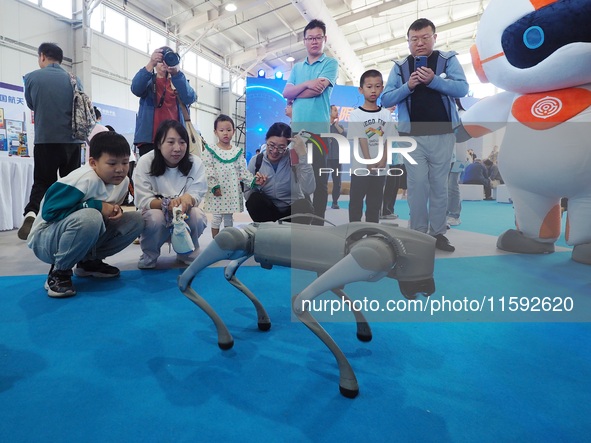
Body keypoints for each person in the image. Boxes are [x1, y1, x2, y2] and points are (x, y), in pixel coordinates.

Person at [382, 18, 469, 252]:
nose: (419, 43)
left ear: (434, 38)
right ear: (408, 41)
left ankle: (438, 233)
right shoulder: (400, 67)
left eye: (424, 38)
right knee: (417, 184)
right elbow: (386, 99)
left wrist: (434, 80)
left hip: (443, 134)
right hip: (411, 137)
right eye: (414, 39)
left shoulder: (447, 60)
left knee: (439, 186)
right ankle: (418, 233)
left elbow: (463, 88)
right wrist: (408, 86)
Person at [26, 131, 143, 298]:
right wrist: (97, 206)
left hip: (82, 231)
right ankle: (59, 272)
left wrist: (116, 210)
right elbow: (50, 213)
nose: (120, 169)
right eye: (112, 163)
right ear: (93, 163)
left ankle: (88, 263)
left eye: (125, 162)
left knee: (137, 220)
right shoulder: (81, 180)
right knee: (91, 217)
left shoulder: (123, 182)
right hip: (46, 239)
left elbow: (108, 208)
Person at [18, 43, 86, 240]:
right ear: (61, 58)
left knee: (42, 181)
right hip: (72, 141)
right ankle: (67, 220)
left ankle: (31, 213)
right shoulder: (74, 79)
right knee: (69, 183)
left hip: (45, 140)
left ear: (42, 56)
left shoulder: (31, 77)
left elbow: (32, 104)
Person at [283, 19, 339, 225]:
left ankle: (318, 223)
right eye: (310, 38)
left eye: (318, 38)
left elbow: (318, 89)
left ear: (324, 39)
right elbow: (286, 92)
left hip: (319, 132)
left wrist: (297, 92)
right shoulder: (298, 68)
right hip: (298, 131)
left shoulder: (330, 63)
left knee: (320, 181)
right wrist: (307, 84)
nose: (314, 42)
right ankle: (303, 220)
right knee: (299, 178)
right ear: (304, 41)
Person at [133, 120, 207, 269]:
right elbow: (143, 199)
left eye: (182, 142)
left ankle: (187, 253)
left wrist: (187, 199)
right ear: (159, 144)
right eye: (171, 142)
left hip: (183, 213)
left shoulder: (195, 163)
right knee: (154, 217)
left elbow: (197, 192)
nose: (177, 148)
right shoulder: (146, 162)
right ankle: (149, 255)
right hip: (158, 213)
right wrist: (166, 204)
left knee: (197, 215)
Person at [347, 70, 395, 223]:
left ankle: (372, 234)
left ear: (382, 88)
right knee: (356, 203)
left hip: (380, 169)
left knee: (374, 205)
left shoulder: (386, 114)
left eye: (377, 86)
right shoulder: (356, 114)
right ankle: (354, 235)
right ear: (361, 90)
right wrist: (368, 161)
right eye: (369, 86)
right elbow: (361, 138)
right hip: (360, 167)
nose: (373, 90)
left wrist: (383, 159)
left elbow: (389, 138)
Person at [131, 46, 197, 157]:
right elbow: (135, 88)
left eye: (167, 59)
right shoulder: (147, 81)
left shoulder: (179, 81)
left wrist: (176, 74)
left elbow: (190, 98)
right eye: (161, 60)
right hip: (149, 141)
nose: (163, 63)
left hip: (175, 141)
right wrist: (150, 64)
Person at [245, 122, 315, 223]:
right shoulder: (256, 161)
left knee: (305, 205)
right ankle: (268, 234)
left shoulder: (294, 159)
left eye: (281, 147)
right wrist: (255, 185)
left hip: (291, 211)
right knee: (254, 200)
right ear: (266, 141)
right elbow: (247, 195)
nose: (274, 151)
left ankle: (294, 236)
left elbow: (309, 189)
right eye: (271, 145)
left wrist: (303, 155)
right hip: (268, 213)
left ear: (288, 146)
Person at [203, 114, 256, 238]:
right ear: (215, 132)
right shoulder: (210, 150)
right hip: (217, 190)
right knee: (216, 217)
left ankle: (229, 242)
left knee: (228, 218)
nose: (225, 133)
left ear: (234, 131)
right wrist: (214, 186)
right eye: (221, 130)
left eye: (228, 130)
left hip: (231, 191)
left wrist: (253, 181)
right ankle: (216, 243)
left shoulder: (237, 151)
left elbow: (243, 172)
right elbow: (208, 169)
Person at [327, 105, 345, 209]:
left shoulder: (339, 127)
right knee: (323, 180)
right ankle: (321, 201)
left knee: (337, 181)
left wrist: (336, 125)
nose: (337, 112)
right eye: (334, 110)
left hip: (337, 158)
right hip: (325, 158)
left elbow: (344, 135)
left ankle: (335, 202)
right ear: (329, 112)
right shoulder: (324, 126)